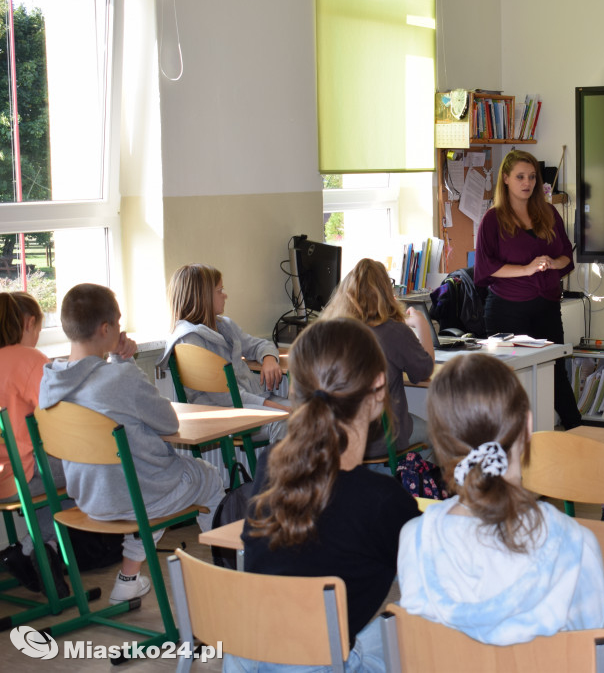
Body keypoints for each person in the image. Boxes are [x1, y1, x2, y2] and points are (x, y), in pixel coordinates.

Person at [228, 318, 419, 673]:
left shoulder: (270, 464)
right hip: (323, 664)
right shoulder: (384, 500)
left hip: (247, 654)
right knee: (421, 625)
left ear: (294, 390)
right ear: (379, 389)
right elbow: (436, 582)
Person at [398, 353, 604, 644]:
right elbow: (593, 656)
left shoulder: (415, 541)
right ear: (528, 425)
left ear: (438, 440)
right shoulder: (576, 545)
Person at [38, 284, 225, 603]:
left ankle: (128, 578)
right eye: (119, 323)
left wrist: (116, 359)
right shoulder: (119, 378)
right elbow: (168, 422)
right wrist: (124, 361)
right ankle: (223, 572)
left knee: (142, 485)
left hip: (88, 499)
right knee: (210, 478)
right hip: (136, 497)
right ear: (105, 328)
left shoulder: (50, 381)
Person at [474, 150, 581, 429]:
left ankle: (577, 431)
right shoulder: (493, 219)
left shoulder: (548, 212)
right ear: (506, 179)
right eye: (520, 176)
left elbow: (566, 257)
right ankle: (511, 438)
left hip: (545, 305)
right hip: (506, 310)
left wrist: (550, 262)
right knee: (510, 379)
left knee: (555, 371)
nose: (527, 183)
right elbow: (486, 268)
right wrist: (527, 268)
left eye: (532, 177)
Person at [158, 263, 290, 473]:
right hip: (226, 412)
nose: (225, 295)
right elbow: (223, 397)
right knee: (288, 422)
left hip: (249, 400)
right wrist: (274, 407)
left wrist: (269, 358)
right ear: (201, 298)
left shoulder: (224, 325)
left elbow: (258, 344)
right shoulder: (189, 340)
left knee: (312, 413)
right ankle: (280, 490)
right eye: (219, 291)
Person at [321, 258, 434, 461]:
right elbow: (424, 372)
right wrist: (421, 325)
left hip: (340, 437)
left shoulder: (331, 332)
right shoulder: (395, 332)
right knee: (437, 435)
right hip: (384, 438)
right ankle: (416, 489)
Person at [0, 292, 69, 595]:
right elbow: (61, 414)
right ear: (26, 323)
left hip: (6, 475)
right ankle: (34, 549)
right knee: (99, 465)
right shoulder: (27, 360)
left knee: (59, 475)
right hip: (21, 478)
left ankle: (43, 550)